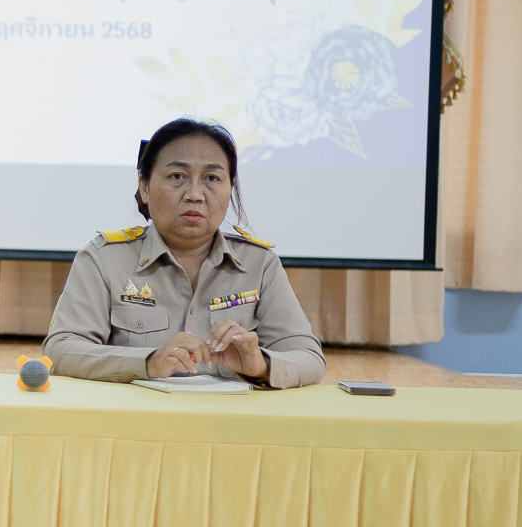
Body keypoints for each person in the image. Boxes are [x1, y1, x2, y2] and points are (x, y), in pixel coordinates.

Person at [44, 117, 324, 387]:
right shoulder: (104, 259)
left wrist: (260, 365)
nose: (195, 194)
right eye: (177, 176)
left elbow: (309, 358)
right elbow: (61, 350)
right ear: (144, 187)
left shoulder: (259, 264)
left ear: (230, 189)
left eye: (212, 178)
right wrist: (149, 361)